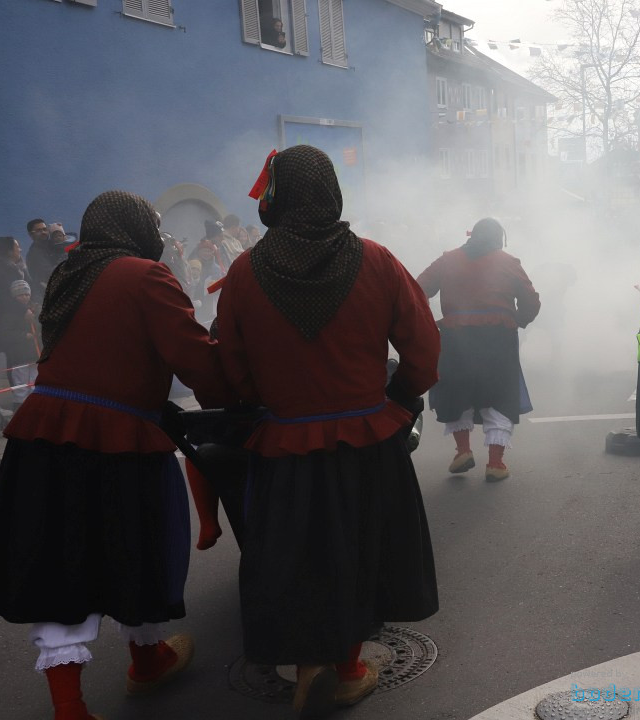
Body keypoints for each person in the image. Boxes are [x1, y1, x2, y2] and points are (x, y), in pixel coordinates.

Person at [0, 191, 231, 720]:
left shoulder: (71, 272)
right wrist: (240, 387)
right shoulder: (144, 275)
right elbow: (193, 356)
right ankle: (144, 662)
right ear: (135, 228)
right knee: (139, 546)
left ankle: (76, 703)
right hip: (116, 436)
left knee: (61, 564)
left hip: (48, 433)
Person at [216, 145, 440, 717]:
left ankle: (308, 658)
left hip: (285, 440)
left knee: (298, 553)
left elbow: (232, 365)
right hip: (366, 438)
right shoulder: (379, 260)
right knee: (361, 548)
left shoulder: (244, 272)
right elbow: (422, 348)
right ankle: (347, 668)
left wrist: (258, 402)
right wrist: (399, 397)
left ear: (278, 198)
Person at [416, 217, 541, 481]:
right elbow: (531, 300)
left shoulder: (447, 260)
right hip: (497, 337)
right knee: (499, 395)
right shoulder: (508, 262)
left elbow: (417, 289)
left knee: (457, 391)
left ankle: (463, 451)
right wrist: (518, 320)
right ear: (498, 239)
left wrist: (428, 322)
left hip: (455, 337)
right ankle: (495, 464)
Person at [0, 280, 40, 409]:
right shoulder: (9, 313)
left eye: (27, 294)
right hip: (18, 355)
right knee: (20, 381)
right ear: (14, 296)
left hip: (34, 353)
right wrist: (24, 336)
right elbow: (5, 334)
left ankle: (34, 403)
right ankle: (20, 404)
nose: (24, 297)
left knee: (34, 380)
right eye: (21, 295)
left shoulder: (34, 309)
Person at [26, 217, 67, 306]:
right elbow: (48, 273)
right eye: (39, 230)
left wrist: (58, 229)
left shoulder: (52, 245)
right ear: (31, 234)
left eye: (45, 229)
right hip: (50, 296)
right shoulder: (35, 253)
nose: (43, 232)